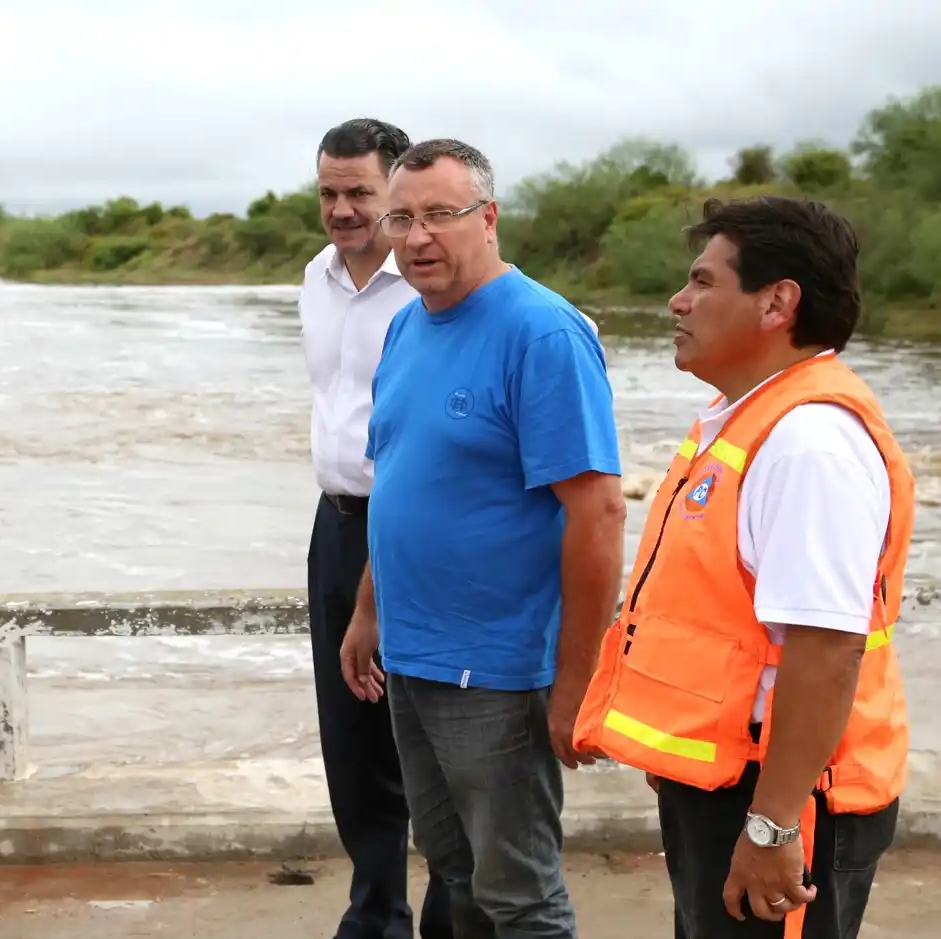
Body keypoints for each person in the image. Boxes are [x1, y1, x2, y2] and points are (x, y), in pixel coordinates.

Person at [573, 195, 912, 939]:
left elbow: (826, 649)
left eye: (702, 281)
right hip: (730, 783)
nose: (678, 300)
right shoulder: (749, 418)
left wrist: (771, 826)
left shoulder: (808, 443)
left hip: (782, 796)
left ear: (776, 303)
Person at [341, 138, 626, 939]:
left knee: (519, 895)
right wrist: (369, 610)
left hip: (499, 670)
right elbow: (397, 483)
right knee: (454, 871)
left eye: (441, 214)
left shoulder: (542, 333)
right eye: (402, 217)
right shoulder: (405, 327)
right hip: (413, 656)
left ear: (489, 218)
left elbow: (598, 512)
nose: (417, 236)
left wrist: (576, 683)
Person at [298, 117, 452, 939]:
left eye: (360, 191)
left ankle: (449, 915)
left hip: (410, 529)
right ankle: (376, 913)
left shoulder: (431, 285)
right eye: (329, 192)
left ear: (394, 190)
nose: (343, 210)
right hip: (334, 523)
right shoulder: (315, 279)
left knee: (423, 735)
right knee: (349, 740)